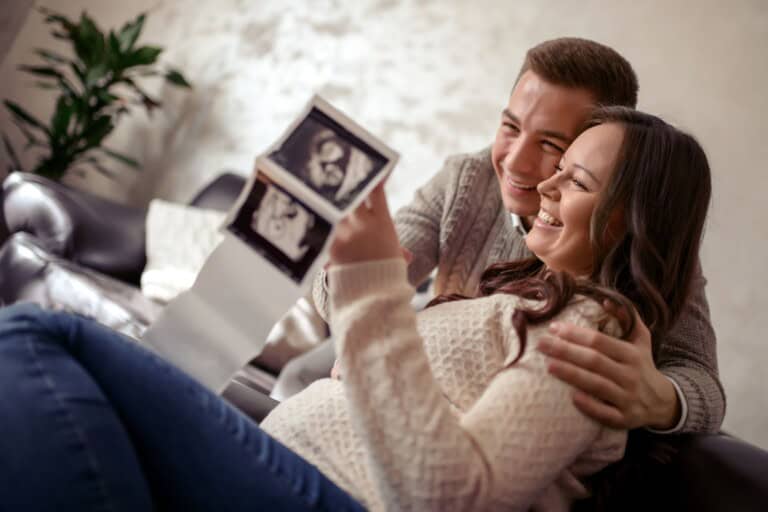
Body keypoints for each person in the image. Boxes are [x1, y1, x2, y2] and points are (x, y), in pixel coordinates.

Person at [0, 106, 712, 511]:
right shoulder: (509, 281)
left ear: (628, 220)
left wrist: (371, 281)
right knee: (63, 363)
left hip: (332, 497)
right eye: (514, 128)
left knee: (37, 337)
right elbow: (363, 322)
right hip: (280, 459)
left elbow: (451, 499)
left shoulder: (598, 327)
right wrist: (298, 223)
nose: (541, 180)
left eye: (570, 170)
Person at [313, 37, 724, 434]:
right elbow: (348, 291)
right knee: (302, 374)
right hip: (419, 351)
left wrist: (659, 398)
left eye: (551, 144)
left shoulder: (639, 248)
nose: (516, 162)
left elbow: (701, 382)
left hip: (452, 414)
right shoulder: (466, 179)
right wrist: (352, 279)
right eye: (510, 127)